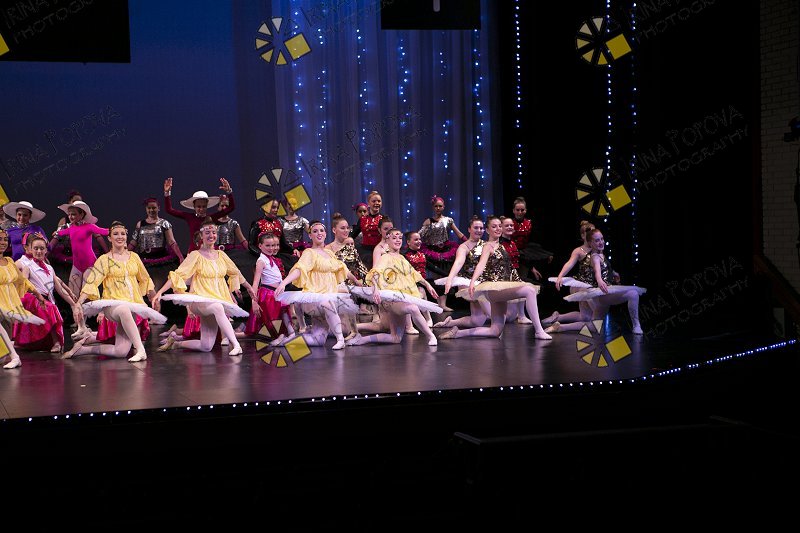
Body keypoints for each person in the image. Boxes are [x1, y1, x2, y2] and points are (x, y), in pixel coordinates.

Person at [62, 221, 168, 362]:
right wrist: (78, 303)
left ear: (126, 236)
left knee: (120, 351)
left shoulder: (134, 257)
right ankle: (141, 351)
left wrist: (153, 298)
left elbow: (145, 279)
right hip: (112, 305)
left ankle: (82, 349)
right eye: (116, 234)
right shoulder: (104, 259)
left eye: (123, 234)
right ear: (109, 238)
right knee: (124, 309)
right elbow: (92, 282)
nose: (120, 237)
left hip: (132, 305)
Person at [153, 218, 258, 356]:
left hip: (215, 300)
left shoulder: (221, 255)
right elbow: (178, 275)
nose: (211, 235)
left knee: (206, 346)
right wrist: (159, 292)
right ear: (201, 236)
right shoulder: (195, 255)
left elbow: (235, 272)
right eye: (207, 232)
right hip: (200, 301)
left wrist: (249, 287)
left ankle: (175, 343)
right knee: (218, 307)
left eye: (213, 232)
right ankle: (236, 345)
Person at [439, 215, 552, 341]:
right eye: (494, 227)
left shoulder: (501, 246)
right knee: (529, 290)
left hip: (501, 286)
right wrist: (471, 282)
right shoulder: (488, 246)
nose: (498, 229)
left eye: (499, 226)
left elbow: (508, 268)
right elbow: (481, 264)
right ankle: (539, 331)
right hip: (493, 288)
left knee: (495, 331)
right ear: (488, 230)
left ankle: (458, 333)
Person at [273, 221, 363, 350]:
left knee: (318, 340)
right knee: (327, 303)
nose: (319, 233)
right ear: (310, 236)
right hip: (315, 298)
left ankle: (285, 341)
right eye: (315, 231)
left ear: (325, 234)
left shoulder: (329, 253)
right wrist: (284, 283)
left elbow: (343, 268)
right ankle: (340, 340)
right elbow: (300, 269)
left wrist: (356, 281)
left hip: (329, 295)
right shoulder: (309, 252)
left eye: (321, 230)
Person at [346, 228, 441, 347]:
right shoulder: (386, 257)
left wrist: (427, 285)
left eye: (400, 238)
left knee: (395, 338)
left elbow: (413, 273)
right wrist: (375, 288)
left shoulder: (401, 258)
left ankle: (361, 340)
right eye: (394, 238)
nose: (398, 240)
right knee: (413, 308)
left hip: (402, 297)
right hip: (392, 298)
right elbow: (376, 272)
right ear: (387, 240)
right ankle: (431, 336)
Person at [545, 228, 645, 335]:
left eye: (602, 239)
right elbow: (597, 270)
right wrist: (599, 280)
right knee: (633, 294)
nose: (601, 242)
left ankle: (561, 327)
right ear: (590, 243)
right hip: (600, 293)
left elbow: (603, 269)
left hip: (599, 293)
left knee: (594, 326)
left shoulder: (600, 254)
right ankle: (636, 326)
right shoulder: (594, 256)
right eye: (597, 240)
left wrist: (613, 273)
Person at [13, 232, 83, 354]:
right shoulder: (27, 265)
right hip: (33, 298)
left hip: (46, 298)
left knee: (51, 307)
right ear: (30, 249)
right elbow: (23, 284)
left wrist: (73, 303)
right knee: (49, 308)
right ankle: (56, 341)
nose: (39, 251)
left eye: (42, 248)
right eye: (36, 248)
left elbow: (59, 287)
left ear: (46, 250)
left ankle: (47, 342)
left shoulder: (49, 268)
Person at [433, 216, 491, 330]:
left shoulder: (486, 245)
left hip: (483, 281)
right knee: (480, 293)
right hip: (467, 281)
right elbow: (458, 262)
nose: (479, 230)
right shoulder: (464, 247)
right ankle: (494, 317)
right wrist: (450, 279)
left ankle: (450, 323)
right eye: (476, 228)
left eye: (481, 228)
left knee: (477, 321)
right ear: (469, 229)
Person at [0, 228, 47, 369]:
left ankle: (11, 355)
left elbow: (22, 281)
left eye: (5, 239)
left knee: (2, 358)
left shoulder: (9, 261)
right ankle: (15, 357)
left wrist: (38, 295)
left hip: (9, 304)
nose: (3, 242)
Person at [543, 220, 597, 328]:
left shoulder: (598, 249)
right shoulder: (579, 250)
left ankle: (557, 317)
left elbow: (603, 265)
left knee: (584, 317)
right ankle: (599, 318)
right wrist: (560, 276)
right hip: (579, 284)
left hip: (592, 284)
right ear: (583, 236)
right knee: (589, 295)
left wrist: (613, 272)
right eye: (589, 233)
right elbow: (569, 264)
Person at [56, 200, 109, 306]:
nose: (70, 217)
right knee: (73, 294)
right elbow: (62, 232)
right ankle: (78, 316)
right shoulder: (71, 227)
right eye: (69, 214)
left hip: (90, 264)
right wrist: (57, 233)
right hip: (76, 265)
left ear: (82, 214)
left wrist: (116, 230)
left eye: (74, 214)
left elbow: (104, 231)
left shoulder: (89, 226)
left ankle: (86, 315)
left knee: (86, 293)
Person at [163, 177, 235, 254]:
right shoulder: (189, 217)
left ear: (207, 206)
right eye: (198, 207)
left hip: (210, 252)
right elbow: (169, 210)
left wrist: (229, 191)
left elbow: (231, 207)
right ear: (194, 206)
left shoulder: (212, 217)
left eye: (204, 206)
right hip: (194, 252)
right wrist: (167, 193)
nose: (201, 209)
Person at [244, 232, 295, 341]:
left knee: (284, 313)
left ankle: (291, 333)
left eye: (273, 245)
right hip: (268, 294)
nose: (271, 248)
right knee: (273, 319)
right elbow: (255, 282)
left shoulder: (272, 259)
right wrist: (254, 302)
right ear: (260, 246)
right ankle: (280, 336)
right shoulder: (261, 261)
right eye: (268, 245)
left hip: (277, 293)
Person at [326, 212, 369, 339]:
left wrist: (366, 280)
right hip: (334, 285)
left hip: (349, 283)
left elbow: (360, 266)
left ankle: (355, 331)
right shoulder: (328, 249)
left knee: (345, 328)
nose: (346, 230)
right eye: (342, 228)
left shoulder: (350, 247)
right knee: (341, 329)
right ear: (334, 230)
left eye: (347, 228)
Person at [128, 197, 184, 293]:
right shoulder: (140, 224)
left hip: (160, 262)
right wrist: (123, 254)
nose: (151, 210)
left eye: (153, 208)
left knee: (158, 287)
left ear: (158, 208)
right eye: (149, 208)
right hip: (144, 261)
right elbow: (133, 242)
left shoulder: (164, 223)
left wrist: (181, 257)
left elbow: (171, 241)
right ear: (146, 209)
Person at [418, 195, 465, 311]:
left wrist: (469, 242)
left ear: (443, 207)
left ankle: (443, 303)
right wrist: (412, 242)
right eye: (436, 206)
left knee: (445, 276)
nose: (438, 208)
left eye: (440, 206)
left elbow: (458, 233)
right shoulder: (428, 221)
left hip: (446, 251)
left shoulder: (448, 220)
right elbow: (419, 235)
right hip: (433, 252)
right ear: (433, 207)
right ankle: (439, 303)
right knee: (436, 278)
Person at [499, 216, 535, 325]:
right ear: (501, 228)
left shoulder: (513, 243)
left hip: (514, 273)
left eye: (511, 225)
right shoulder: (500, 244)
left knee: (524, 286)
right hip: (503, 276)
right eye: (507, 225)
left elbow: (519, 258)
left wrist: (532, 268)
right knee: (509, 317)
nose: (510, 227)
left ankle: (522, 315)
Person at [511, 196, 553, 281]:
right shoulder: (509, 223)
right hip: (511, 256)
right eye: (517, 210)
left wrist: (546, 254)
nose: (520, 212)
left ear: (525, 210)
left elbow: (536, 241)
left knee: (522, 281)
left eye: (522, 210)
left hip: (524, 257)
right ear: (513, 210)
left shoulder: (530, 224)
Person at [351, 190, 387, 268]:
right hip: (365, 252)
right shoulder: (362, 219)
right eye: (374, 201)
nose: (376, 203)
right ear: (368, 203)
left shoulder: (385, 219)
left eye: (379, 201)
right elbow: (353, 235)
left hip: (381, 251)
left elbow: (390, 236)